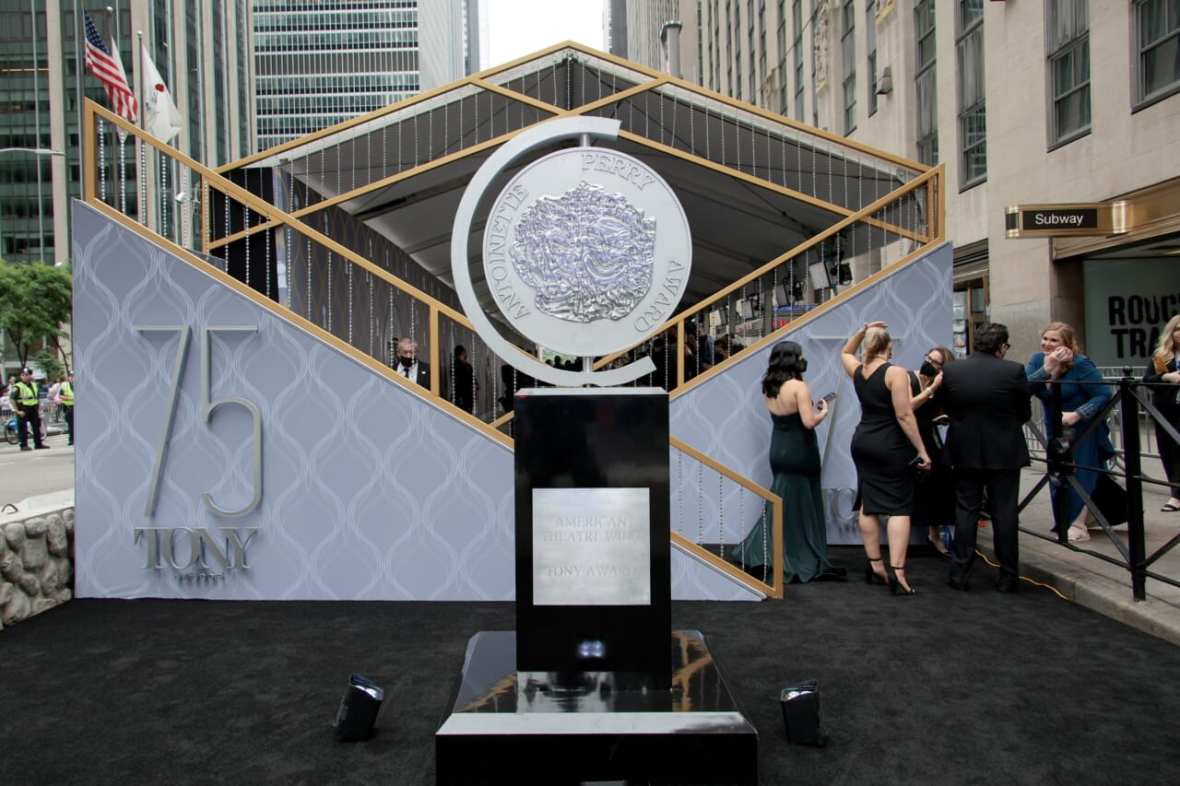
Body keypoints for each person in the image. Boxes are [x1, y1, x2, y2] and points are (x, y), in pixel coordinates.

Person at [729, 341, 845, 583]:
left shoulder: (769, 387)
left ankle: (768, 548)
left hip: (778, 448)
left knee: (781, 500)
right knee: (801, 502)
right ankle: (797, 551)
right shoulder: (799, 387)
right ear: (795, 359)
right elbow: (808, 422)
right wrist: (823, 411)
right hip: (801, 450)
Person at [941, 324, 1032, 593]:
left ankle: (959, 572)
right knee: (1004, 512)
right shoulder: (1013, 370)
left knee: (966, 510)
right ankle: (1008, 576)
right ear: (1001, 346)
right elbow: (1024, 412)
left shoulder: (953, 370)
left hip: (964, 447)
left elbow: (949, 407)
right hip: (1004, 449)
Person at [841, 322, 930, 595]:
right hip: (890, 444)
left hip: (862, 441)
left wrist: (861, 329)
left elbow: (845, 352)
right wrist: (922, 451)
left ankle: (875, 564)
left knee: (868, 503)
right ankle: (899, 571)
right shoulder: (895, 372)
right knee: (899, 507)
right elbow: (904, 415)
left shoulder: (859, 370)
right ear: (889, 346)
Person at [1026, 322, 1113, 542]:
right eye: (1045, 338)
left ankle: (1078, 523)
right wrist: (1047, 367)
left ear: (1067, 343)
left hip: (1082, 427)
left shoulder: (1081, 364)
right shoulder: (1038, 360)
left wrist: (1078, 414)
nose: (1047, 343)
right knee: (1057, 472)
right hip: (1054, 426)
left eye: (1054, 340)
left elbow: (1103, 393)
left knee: (1081, 472)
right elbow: (1026, 387)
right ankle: (1064, 520)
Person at [911, 346, 956, 557]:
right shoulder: (911, 379)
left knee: (937, 482)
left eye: (935, 362)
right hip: (910, 437)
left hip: (932, 437)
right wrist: (929, 388)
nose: (928, 363)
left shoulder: (944, 386)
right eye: (928, 358)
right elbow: (907, 408)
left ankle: (935, 534)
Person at [1145, 314, 1180, 512]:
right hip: (1166, 411)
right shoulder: (1161, 356)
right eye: (1177, 328)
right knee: (1168, 451)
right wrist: (1167, 377)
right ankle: (1175, 495)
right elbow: (1148, 380)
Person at [9, 368, 48, 451]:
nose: (25, 377)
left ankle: (38, 444)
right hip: (23, 408)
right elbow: (12, 399)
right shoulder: (17, 386)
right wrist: (17, 411)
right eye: (23, 375)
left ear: (30, 375)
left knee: (36, 426)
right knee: (22, 428)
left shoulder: (34, 384)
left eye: (27, 375)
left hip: (33, 408)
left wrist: (39, 409)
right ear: (21, 376)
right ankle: (23, 445)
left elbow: (36, 397)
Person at [452, 345, 476, 413]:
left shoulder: (466, 365)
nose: (466, 354)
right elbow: (460, 381)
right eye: (464, 352)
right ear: (462, 353)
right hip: (463, 395)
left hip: (464, 395)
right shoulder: (457, 366)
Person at [56, 372, 75, 446]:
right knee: (71, 425)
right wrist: (71, 398)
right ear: (69, 377)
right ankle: (72, 439)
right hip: (69, 407)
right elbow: (60, 396)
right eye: (71, 376)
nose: (73, 378)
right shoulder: (64, 385)